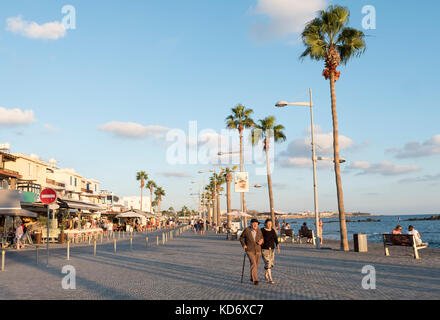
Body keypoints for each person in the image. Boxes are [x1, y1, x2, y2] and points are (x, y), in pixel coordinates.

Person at [240, 219, 264, 286]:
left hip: (258, 250)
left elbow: (262, 238)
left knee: (256, 265)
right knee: (253, 263)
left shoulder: (259, 231)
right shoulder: (247, 230)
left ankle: (252, 277)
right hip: (249, 250)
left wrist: (261, 241)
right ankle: (255, 280)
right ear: (251, 224)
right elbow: (241, 238)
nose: (255, 225)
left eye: (256, 224)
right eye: (254, 224)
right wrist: (244, 244)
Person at [261, 219, 280, 284]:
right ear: (265, 224)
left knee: (270, 264)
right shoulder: (262, 230)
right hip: (264, 249)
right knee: (268, 263)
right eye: (268, 224)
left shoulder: (272, 230)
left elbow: (275, 239)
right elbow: (258, 238)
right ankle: (270, 278)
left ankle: (266, 274)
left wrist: (277, 246)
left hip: (272, 249)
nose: (269, 225)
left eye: (270, 224)